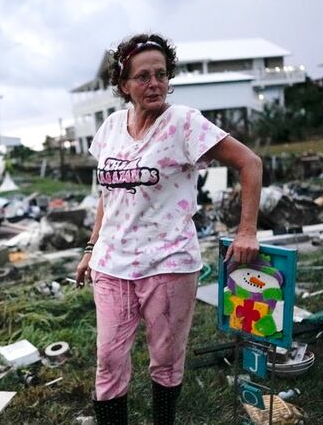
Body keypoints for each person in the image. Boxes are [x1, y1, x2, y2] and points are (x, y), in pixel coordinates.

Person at [75, 33, 263, 425]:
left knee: (165, 360)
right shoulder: (110, 127)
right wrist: (92, 248)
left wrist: (247, 231)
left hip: (169, 264)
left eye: (161, 74)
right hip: (112, 265)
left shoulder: (185, 123)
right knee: (108, 359)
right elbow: (108, 195)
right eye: (143, 77)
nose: (154, 83)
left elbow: (250, 163)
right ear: (124, 85)